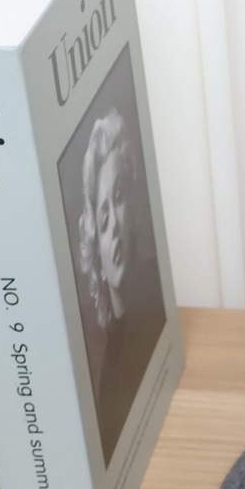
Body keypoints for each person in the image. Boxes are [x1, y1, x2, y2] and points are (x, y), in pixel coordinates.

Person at [77, 108, 165, 465]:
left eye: (118, 199)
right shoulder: (108, 379)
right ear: (95, 244)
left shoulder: (159, 301)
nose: (113, 225)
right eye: (102, 216)